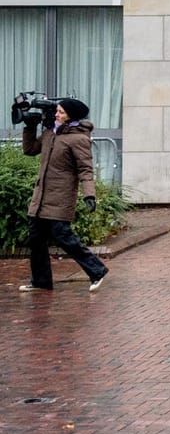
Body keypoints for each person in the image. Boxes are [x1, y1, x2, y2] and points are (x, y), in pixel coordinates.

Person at [19, 98, 109, 293]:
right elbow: (29, 150)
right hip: (40, 197)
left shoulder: (78, 139)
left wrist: (89, 195)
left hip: (60, 198)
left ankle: (97, 270)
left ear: (71, 116)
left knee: (64, 237)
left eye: (60, 112)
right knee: (36, 239)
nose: (56, 115)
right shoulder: (50, 134)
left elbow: (86, 170)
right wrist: (29, 127)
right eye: (57, 111)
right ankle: (41, 282)